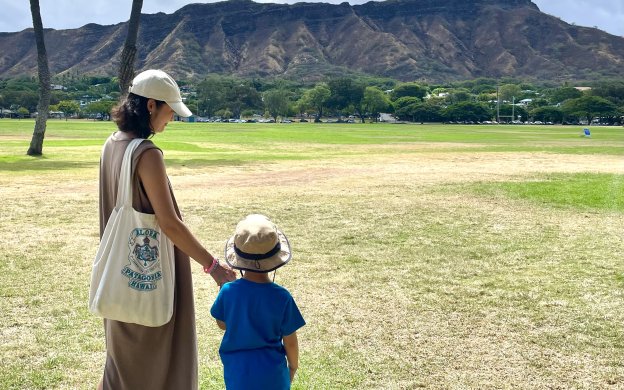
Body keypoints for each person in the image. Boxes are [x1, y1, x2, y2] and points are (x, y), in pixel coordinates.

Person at [97, 69, 236, 389]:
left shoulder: (111, 144)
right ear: (150, 106)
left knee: (122, 365)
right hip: (150, 273)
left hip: (119, 272)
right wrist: (213, 266)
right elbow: (170, 223)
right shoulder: (147, 154)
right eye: (169, 110)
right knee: (159, 361)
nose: (171, 118)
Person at [211, 214, 306, 389]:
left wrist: (224, 287)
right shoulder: (282, 297)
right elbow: (290, 341)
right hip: (274, 375)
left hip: (238, 375)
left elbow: (222, 324)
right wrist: (292, 366)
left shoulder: (228, 291)